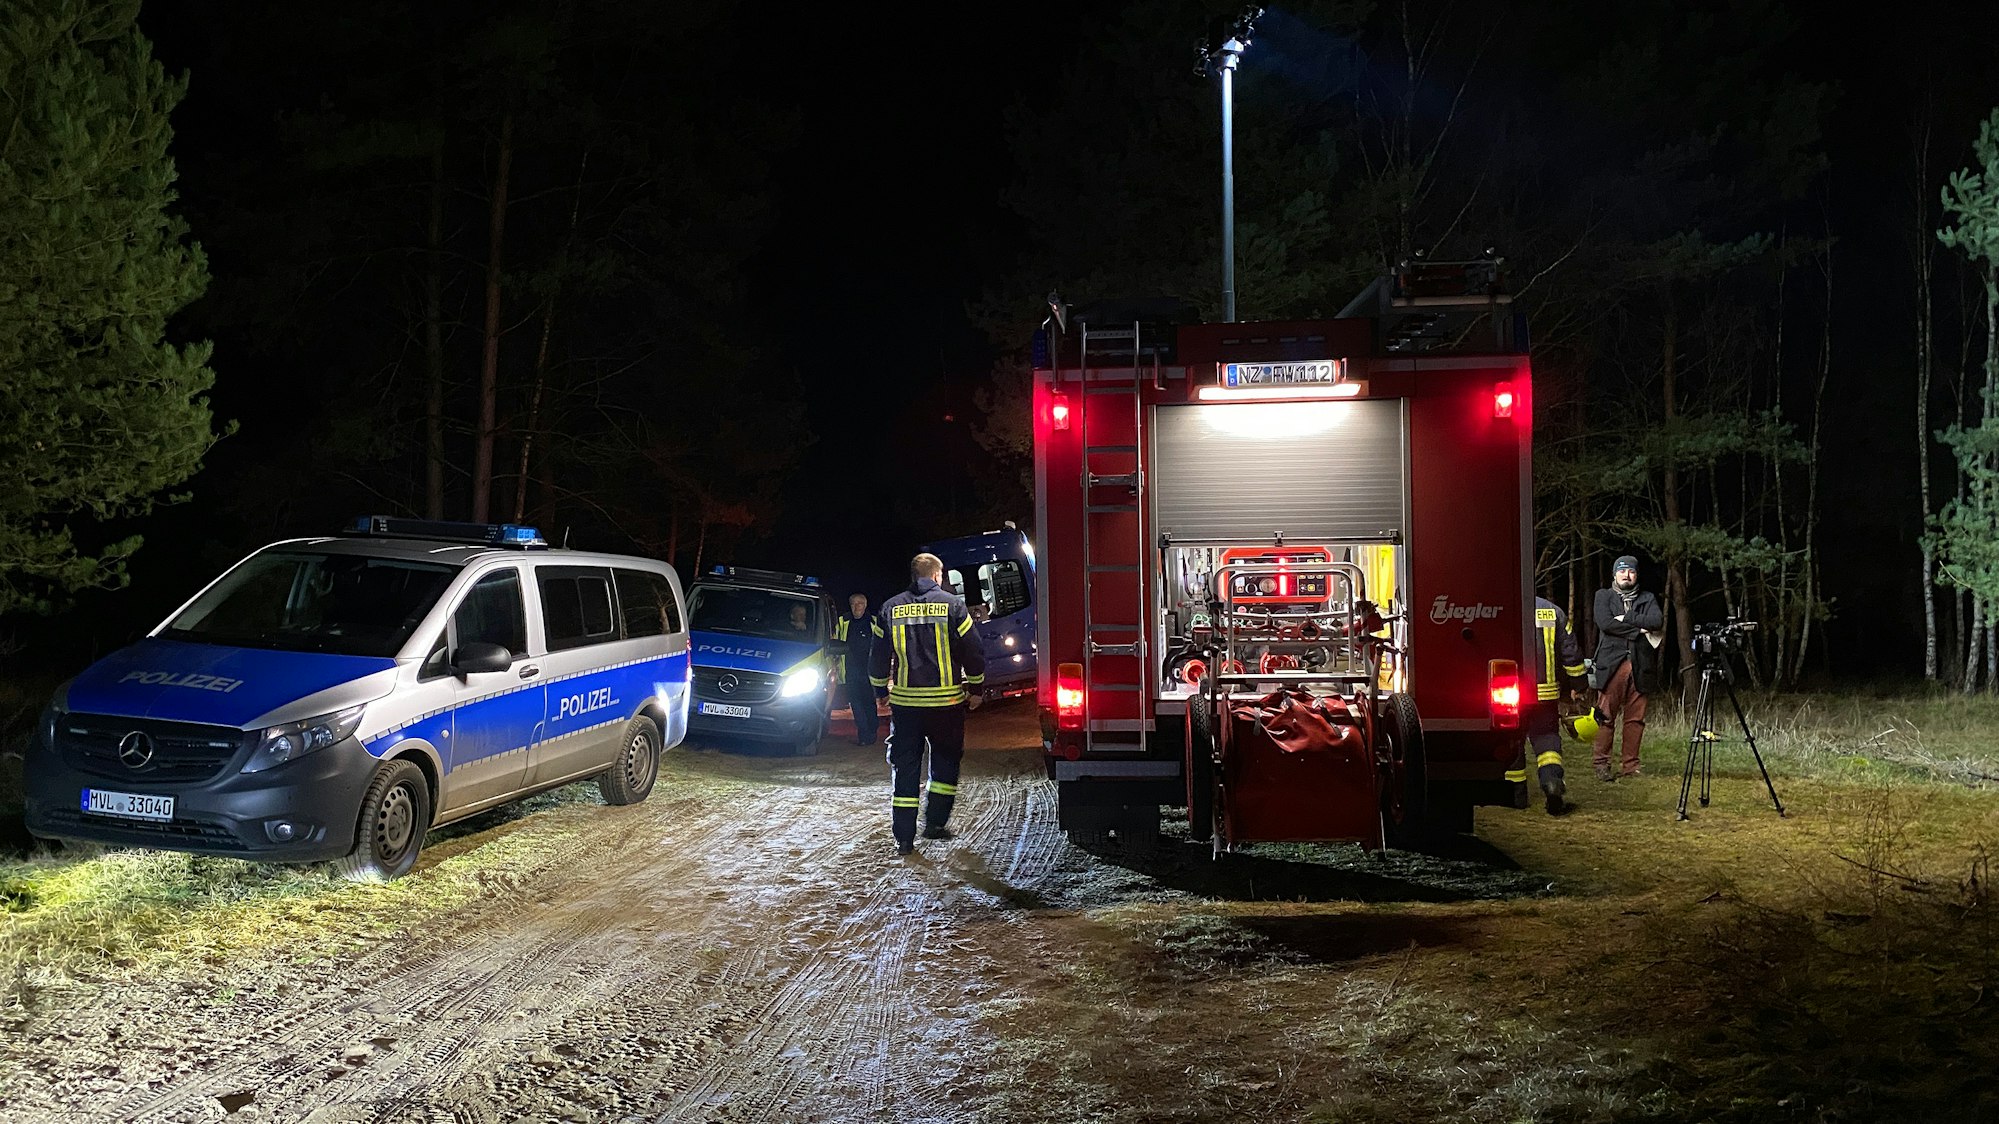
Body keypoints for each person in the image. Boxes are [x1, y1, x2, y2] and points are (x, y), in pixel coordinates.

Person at [869, 553, 986, 855]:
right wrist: (976, 687)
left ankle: (904, 838)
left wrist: (880, 689)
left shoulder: (889, 608)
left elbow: (878, 653)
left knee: (905, 767)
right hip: (946, 704)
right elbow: (973, 649)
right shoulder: (954, 606)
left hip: (907, 706)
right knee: (946, 762)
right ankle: (934, 823)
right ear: (937, 576)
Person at [1511, 595, 1587, 814]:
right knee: (1547, 741)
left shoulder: (1501, 606)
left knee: (1512, 743)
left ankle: (1516, 795)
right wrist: (1578, 685)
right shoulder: (1553, 611)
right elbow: (1571, 654)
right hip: (1545, 694)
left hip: (1508, 694)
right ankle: (1552, 781)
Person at [1590, 555, 1663, 781]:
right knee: (1605, 716)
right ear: (1614, 574)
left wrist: (1627, 617)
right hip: (1611, 665)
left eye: (1631, 571)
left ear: (1636, 575)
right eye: (1622, 571)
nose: (1626, 575)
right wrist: (1639, 630)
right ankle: (1601, 764)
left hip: (1641, 666)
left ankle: (1630, 766)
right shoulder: (1603, 596)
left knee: (1635, 719)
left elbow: (1657, 621)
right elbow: (1605, 623)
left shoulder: (1647, 597)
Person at [832, 592, 881, 746]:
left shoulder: (874, 622)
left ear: (865, 605)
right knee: (856, 703)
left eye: (859, 603)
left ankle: (872, 730)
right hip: (850, 669)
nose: (856, 607)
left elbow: (882, 646)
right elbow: (834, 640)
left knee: (869, 702)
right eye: (853, 604)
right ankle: (864, 735)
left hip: (869, 670)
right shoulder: (842, 621)